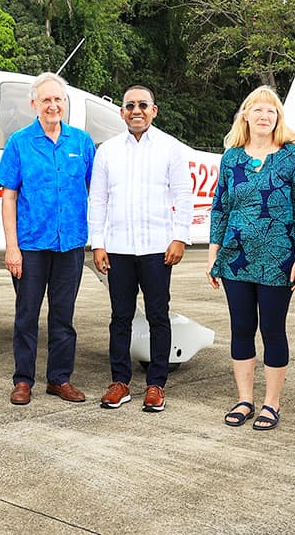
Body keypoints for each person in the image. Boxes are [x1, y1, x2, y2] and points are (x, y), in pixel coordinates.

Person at [207, 86, 295, 432]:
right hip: (236, 257)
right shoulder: (231, 157)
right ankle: (245, 399)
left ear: (278, 118)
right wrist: (213, 255)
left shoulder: (292, 156)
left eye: (271, 111)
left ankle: (272, 403)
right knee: (241, 328)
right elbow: (220, 207)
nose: (264, 116)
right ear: (245, 116)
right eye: (258, 110)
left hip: (278, 257)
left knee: (273, 330)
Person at [89, 85, 193, 412]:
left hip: (156, 248)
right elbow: (98, 199)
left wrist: (180, 237)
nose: (136, 110)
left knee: (158, 316)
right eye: (130, 105)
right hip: (118, 248)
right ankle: (120, 382)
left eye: (143, 105)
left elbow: (182, 196)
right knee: (119, 317)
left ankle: (156, 385)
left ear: (154, 110)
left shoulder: (170, 148)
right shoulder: (107, 151)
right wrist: (99, 243)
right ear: (122, 112)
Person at [0, 72, 96, 406]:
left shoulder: (81, 143)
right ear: (33, 104)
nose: (53, 105)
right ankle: (23, 380)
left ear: (64, 103)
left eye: (58, 100)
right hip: (30, 245)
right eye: (46, 100)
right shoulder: (19, 143)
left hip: (70, 244)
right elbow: (8, 196)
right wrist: (11, 246)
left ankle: (59, 379)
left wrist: (98, 240)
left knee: (63, 315)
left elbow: (95, 191)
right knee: (26, 315)